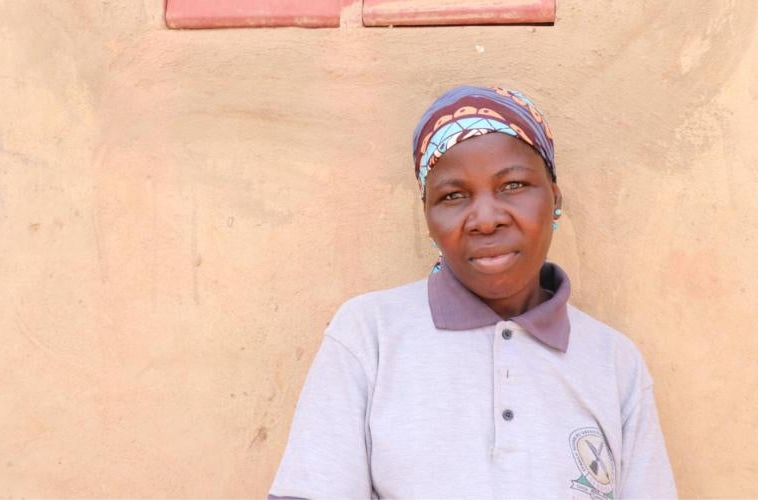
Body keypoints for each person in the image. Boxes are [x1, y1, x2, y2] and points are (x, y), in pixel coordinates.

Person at [268, 85, 677, 499]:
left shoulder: (613, 363)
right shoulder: (370, 336)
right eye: (453, 196)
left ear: (554, 198)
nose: (485, 219)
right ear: (428, 218)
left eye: (513, 185)